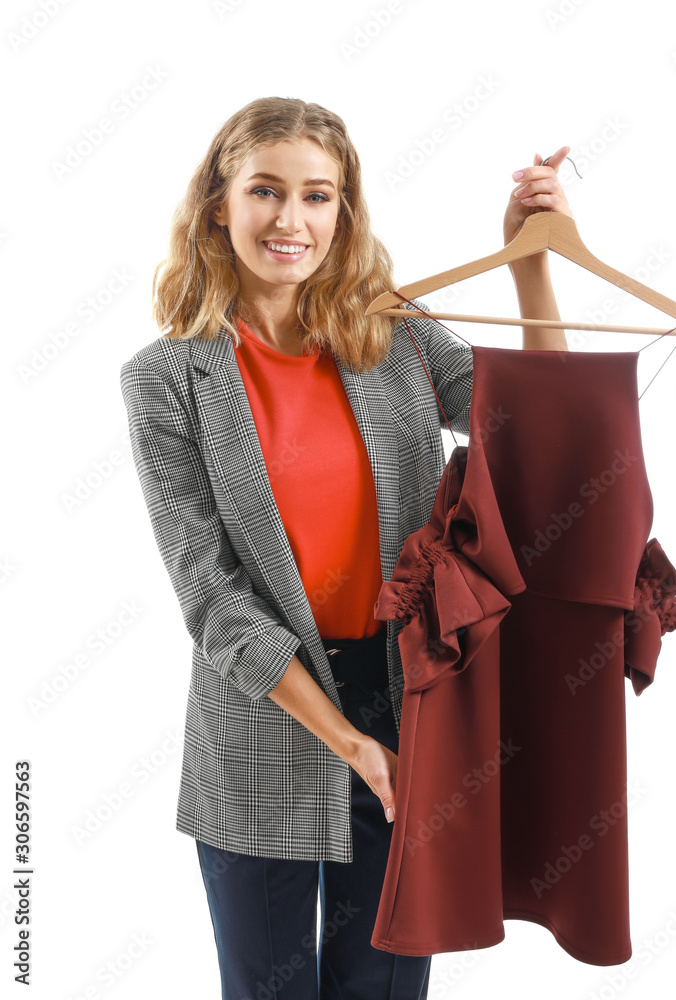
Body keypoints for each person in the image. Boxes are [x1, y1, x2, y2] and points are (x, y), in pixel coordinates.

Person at [120, 95, 572, 1000]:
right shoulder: (166, 380)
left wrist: (532, 263)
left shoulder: (392, 337)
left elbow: (541, 423)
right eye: (266, 192)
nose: (292, 220)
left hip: (408, 694)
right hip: (264, 709)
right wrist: (347, 741)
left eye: (317, 197)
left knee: (384, 987)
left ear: (343, 211)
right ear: (219, 203)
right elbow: (212, 599)